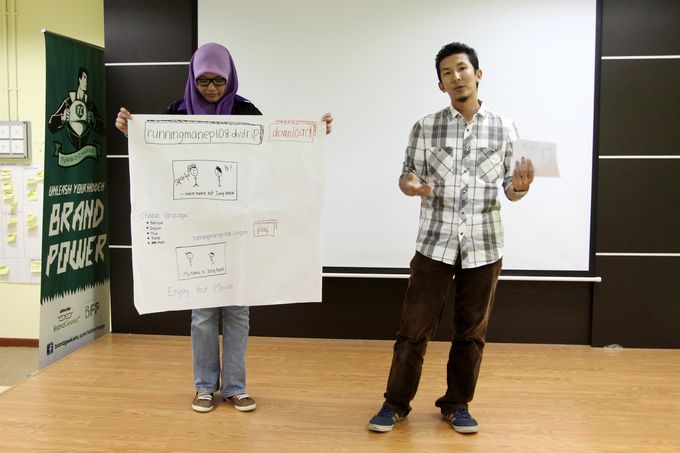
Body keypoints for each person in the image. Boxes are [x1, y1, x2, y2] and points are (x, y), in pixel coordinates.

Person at [115, 42, 333, 413]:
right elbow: (154, 150)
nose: (212, 88)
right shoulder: (177, 112)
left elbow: (274, 154)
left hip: (239, 230)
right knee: (202, 314)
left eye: (219, 80)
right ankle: (204, 387)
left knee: (237, 311)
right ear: (192, 78)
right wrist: (129, 132)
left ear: (230, 78)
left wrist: (313, 135)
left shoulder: (246, 111)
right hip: (194, 228)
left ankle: (234, 387)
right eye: (203, 81)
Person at [367, 42, 534, 434]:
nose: (456, 77)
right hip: (434, 242)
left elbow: (510, 189)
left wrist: (521, 187)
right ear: (441, 85)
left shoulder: (506, 128)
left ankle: (457, 404)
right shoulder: (425, 127)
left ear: (478, 74)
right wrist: (410, 185)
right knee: (413, 330)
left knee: (471, 333)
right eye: (447, 73)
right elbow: (407, 174)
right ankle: (395, 404)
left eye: (462, 68)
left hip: (484, 244)